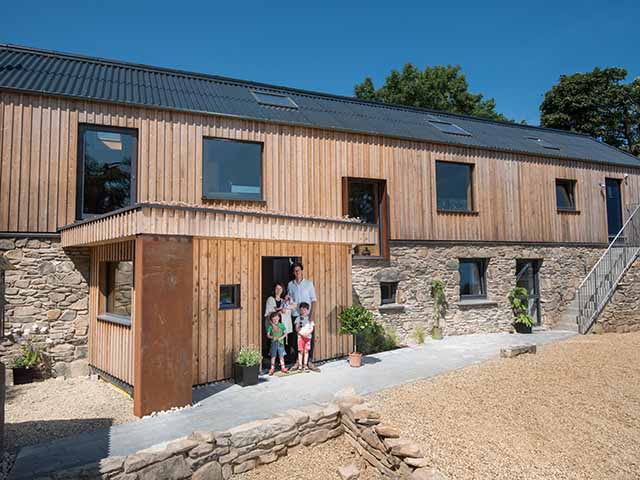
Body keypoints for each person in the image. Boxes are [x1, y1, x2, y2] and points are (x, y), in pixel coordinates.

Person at [287, 263, 319, 372]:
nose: (297, 272)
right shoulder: (290, 285)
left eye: (299, 270)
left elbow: (314, 300)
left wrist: (312, 316)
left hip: (307, 316)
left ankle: (309, 361)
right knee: (296, 340)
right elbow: (289, 300)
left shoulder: (309, 284)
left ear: (302, 271)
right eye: (295, 271)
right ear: (293, 273)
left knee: (309, 339)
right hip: (296, 316)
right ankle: (297, 362)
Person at [264, 282, 295, 359]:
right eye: (277, 288)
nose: (278, 290)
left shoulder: (283, 301)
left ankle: (281, 361)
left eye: (280, 288)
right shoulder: (270, 299)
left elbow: (290, 310)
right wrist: (280, 312)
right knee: (273, 344)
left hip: (281, 326)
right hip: (272, 325)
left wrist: (286, 309)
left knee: (281, 344)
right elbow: (269, 313)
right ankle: (272, 362)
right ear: (274, 290)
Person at [266, 311, 288, 375]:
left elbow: (285, 333)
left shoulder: (281, 325)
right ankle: (272, 367)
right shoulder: (270, 327)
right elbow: (268, 335)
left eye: (276, 318)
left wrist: (282, 337)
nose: (275, 320)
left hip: (280, 343)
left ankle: (283, 367)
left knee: (281, 355)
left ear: (279, 318)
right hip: (273, 343)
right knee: (273, 356)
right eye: (273, 319)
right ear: (271, 320)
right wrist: (272, 337)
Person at [295, 303, 314, 373]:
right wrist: (302, 334)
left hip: (308, 338)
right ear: (299, 310)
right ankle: (300, 366)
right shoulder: (298, 318)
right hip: (300, 337)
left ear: (307, 310)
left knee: (306, 351)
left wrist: (307, 333)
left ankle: (305, 365)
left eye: (305, 309)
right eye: (301, 309)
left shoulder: (310, 319)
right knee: (300, 351)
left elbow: (311, 328)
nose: (303, 311)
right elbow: (296, 328)